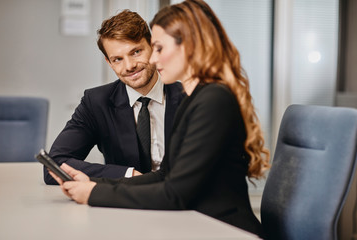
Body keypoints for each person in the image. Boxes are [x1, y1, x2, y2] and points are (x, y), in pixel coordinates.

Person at [49, 0, 270, 236]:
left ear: (189, 46)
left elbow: (175, 193)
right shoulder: (197, 98)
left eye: (159, 49)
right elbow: (165, 175)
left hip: (222, 229)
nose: (153, 59)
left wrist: (94, 194)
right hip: (191, 223)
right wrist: (96, 184)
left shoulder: (212, 100)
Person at [44, 10, 185, 184]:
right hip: (122, 203)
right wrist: (129, 175)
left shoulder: (189, 96)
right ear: (109, 63)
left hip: (184, 203)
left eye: (136, 52)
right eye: (117, 59)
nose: (129, 66)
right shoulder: (96, 102)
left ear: (153, 47)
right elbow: (55, 164)